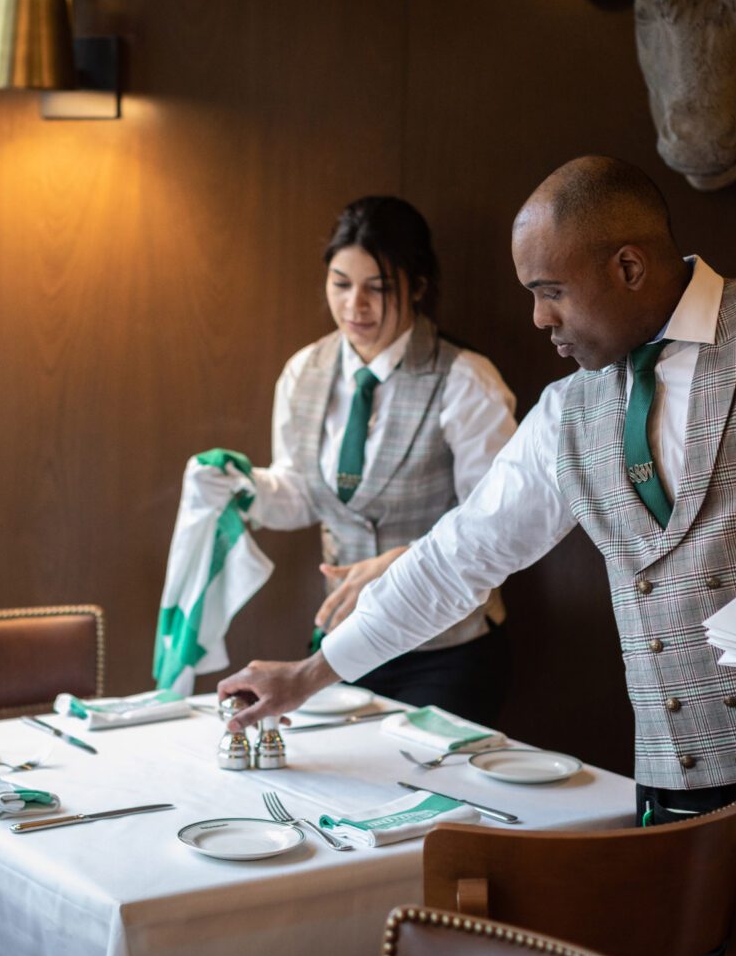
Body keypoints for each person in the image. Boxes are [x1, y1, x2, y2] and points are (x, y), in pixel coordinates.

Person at [219, 157, 736, 830]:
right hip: (674, 785)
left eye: (552, 290)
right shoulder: (568, 412)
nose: (538, 317)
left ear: (628, 268)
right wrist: (308, 676)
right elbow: (457, 559)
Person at [195, 195, 517, 721]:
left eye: (378, 288)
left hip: (446, 651)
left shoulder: (466, 380)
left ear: (417, 287)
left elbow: (498, 526)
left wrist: (401, 563)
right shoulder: (304, 371)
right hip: (344, 643)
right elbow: (301, 492)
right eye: (341, 284)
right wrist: (241, 486)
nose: (355, 307)